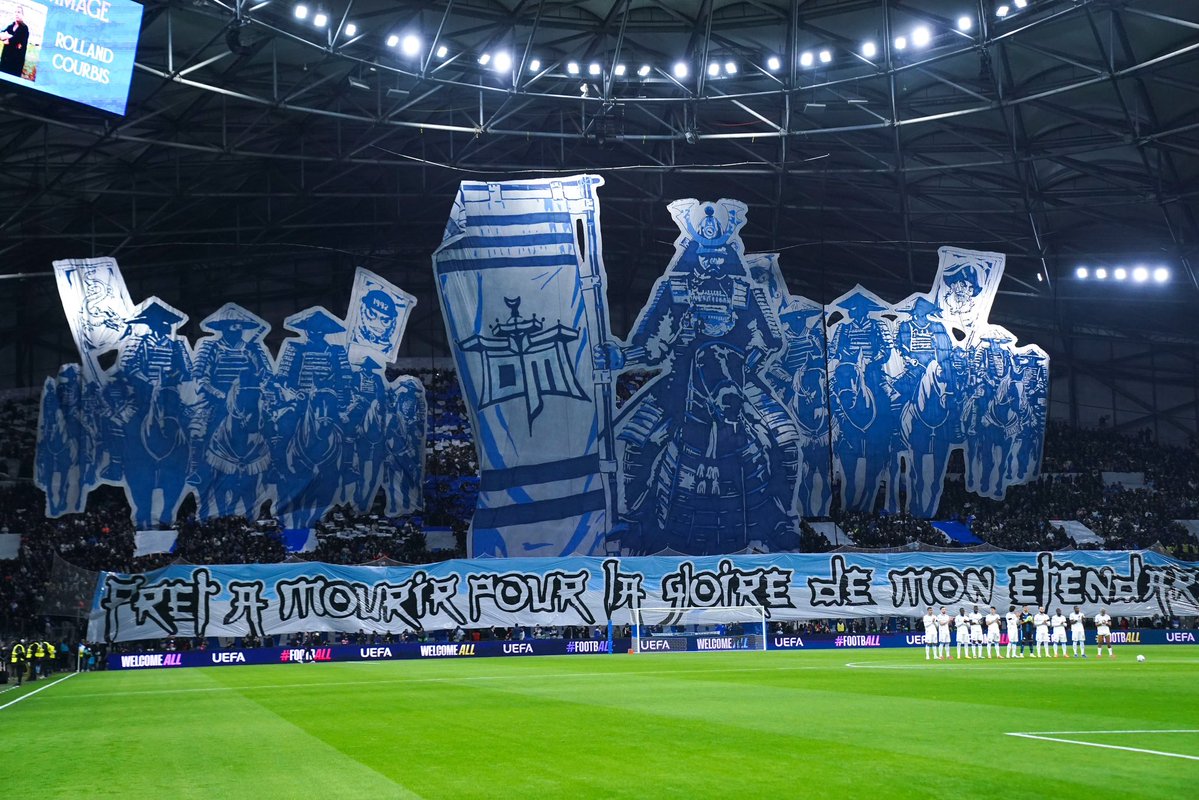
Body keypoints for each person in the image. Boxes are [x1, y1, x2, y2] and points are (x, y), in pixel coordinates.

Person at [0, 7, 30, 78]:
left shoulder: (24, 28)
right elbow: (1, 35)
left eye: (19, 12)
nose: (17, 14)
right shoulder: (10, 26)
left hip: (15, 63)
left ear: (23, 15)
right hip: (5, 60)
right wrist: (10, 37)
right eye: (15, 12)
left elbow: (13, 40)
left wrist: (7, 37)